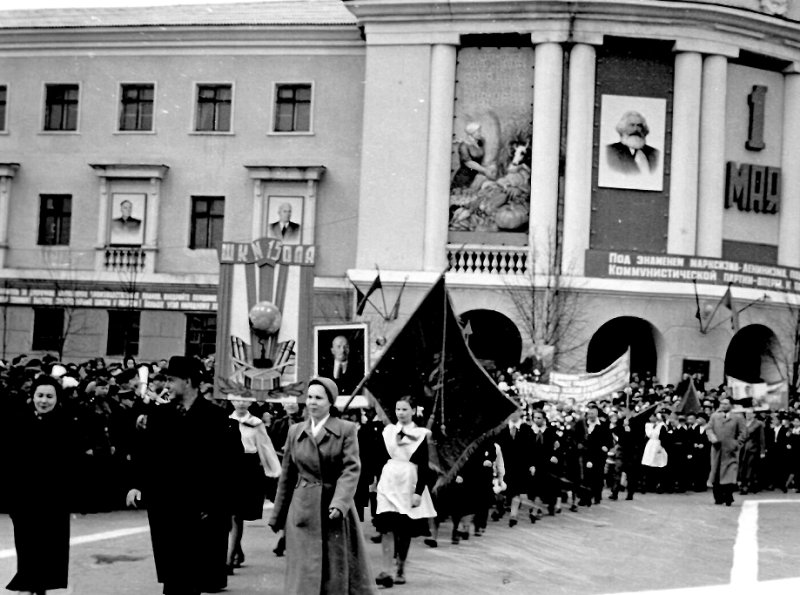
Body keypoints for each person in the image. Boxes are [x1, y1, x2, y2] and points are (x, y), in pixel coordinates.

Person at [126, 356, 240, 595]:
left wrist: (214, 504)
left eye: (171, 380)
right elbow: (146, 454)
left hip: (201, 511)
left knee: (192, 578)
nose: (166, 385)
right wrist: (137, 485)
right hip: (167, 508)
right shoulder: (160, 416)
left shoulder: (215, 417)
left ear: (188, 382)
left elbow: (227, 465)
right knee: (174, 576)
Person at [268, 377, 375, 594]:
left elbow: (350, 470)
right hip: (302, 511)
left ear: (330, 402)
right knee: (303, 573)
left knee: (333, 571)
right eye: (309, 397)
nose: (312, 402)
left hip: (333, 510)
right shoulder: (295, 431)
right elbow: (287, 476)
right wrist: (277, 516)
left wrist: (340, 503)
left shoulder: (346, 429)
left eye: (318, 398)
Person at [3, 375, 76, 595]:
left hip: (54, 498)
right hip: (24, 497)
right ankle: (30, 585)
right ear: (32, 396)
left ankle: (42, 587)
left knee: (51, 547)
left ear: (57, 399)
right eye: (40, 395)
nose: (44, 401)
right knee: (27, 545)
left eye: (49, 396)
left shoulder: (66, 424)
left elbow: (72, 464)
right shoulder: (18, 421)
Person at [373, 395, 436, 588]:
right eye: (398, 409)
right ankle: (386, 570)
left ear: (413, 411)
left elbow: (424, 467)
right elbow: (379, 456)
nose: (400, 413)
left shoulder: (421, 434)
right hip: (389, 479)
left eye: (405, 409)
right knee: (386, 526)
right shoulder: (389, 431)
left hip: (408, 481)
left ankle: (400, 567)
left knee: (402, 528)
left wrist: (418, 492)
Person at [225, 391, 282, 575]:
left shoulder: (256, 424)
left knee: (237, 514)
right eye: (237, 399)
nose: (241, 403)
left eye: (244, 399)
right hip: (230, 467)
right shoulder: (225, 420)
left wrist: (276, 471)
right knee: (230, 514)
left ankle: (229, 559)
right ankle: (236, 550)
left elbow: (265, 448)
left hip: (247, 469)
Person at [706, 397, 747, 506]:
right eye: (721, 403)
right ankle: (718, 497)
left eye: (725, 403)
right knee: (716, 473)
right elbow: (709, 428)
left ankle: (728, 496)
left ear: (731, 405)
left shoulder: (738, 417)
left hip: (730, 450)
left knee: (729, 473)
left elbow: (743, 433)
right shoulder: (715, 416)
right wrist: (713, 438)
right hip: (717, 449)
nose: (723, 405)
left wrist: (736, 444)